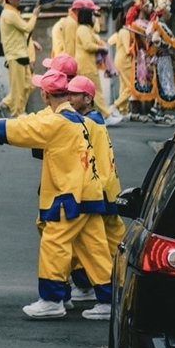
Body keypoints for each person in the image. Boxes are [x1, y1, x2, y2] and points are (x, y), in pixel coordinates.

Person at [0, 70, 112, 320]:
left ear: (45, 94)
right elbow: (33, 125)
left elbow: (26, 131)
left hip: (70, 194)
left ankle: (52, 300)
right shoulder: (75, 119)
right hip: (88, 192)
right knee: (95, 248)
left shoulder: (57, 122)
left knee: (54, 244)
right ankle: (109, 299)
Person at [65, 76, 123, 317]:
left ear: (87, 98)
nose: (69, 98)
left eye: (74, 94)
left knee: (102, 245)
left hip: (100, 191)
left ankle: (108, 295)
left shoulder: (89, 124)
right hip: (107, 189)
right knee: (107, 243)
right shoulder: (94, 120)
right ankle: (93, 286)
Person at [0, 0, 40, 117]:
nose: (19, 0)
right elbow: (27, 28)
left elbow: (19, 35)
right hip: (15, 55)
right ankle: (17, 112)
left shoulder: (13, 13)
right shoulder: (9, 14)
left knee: (28, 84)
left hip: (21, 54)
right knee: (18, 88)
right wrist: (35, 15)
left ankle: (7, 103)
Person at [74, 5, 118, 123]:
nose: (94, 18)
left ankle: (101, 115)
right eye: (93, 15)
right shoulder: (83, 29)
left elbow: (97, 30)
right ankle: (106, 115)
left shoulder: (87, 28)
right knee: (96, 91)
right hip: (86, 65)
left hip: (88, 64)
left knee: (91, 92)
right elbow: (88, 45)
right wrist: (101, 48)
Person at [108, 14, 134, 117]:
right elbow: (128, 50)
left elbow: (110, 41)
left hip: (118, 59)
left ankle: (123, 110)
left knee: (123, 86)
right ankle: (115, 105)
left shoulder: (120, 32)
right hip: (125, 60)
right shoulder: (125, 32)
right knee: (131, 87)